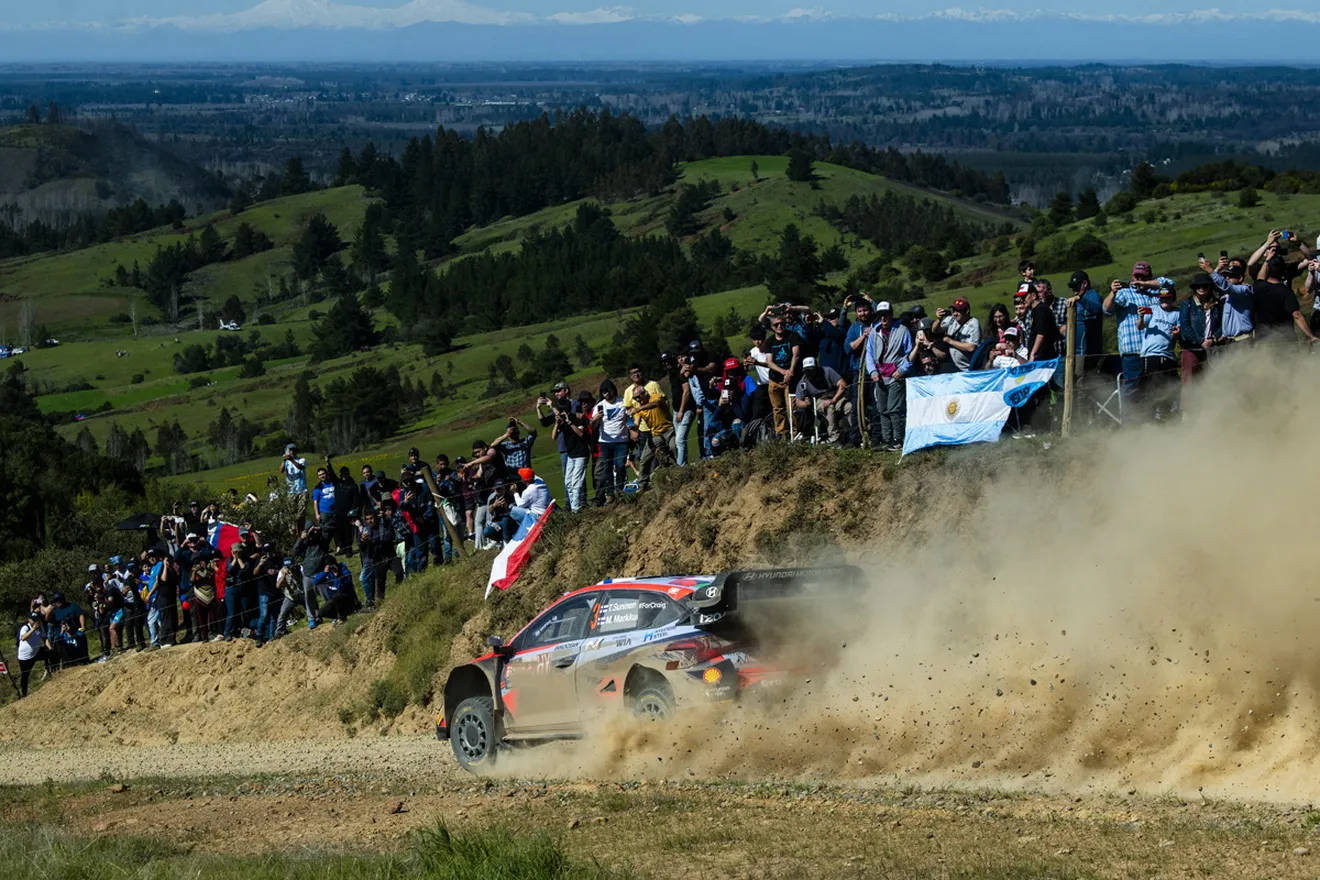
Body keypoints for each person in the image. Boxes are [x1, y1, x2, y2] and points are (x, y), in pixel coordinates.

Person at [1104, 261, 1173, 405]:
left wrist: (1147, 284)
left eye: (1143, 276)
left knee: (1153, 387)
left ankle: (1152, 419)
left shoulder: (1155, 293)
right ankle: (1130, 422)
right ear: (1132, 276)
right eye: (1137, 276)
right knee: (1132, 387)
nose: (1139, 279)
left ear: (1149, 276)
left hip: (1153, 351)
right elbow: (1106, 309)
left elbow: (1169, 283)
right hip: (1133, 349)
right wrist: (1112, 292)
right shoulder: (1124, 293)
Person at [863, 301, 912, 451]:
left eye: (886, 315)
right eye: (880, 316)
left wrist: (903, 369)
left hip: (895, 374)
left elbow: (909, 353)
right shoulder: (874, 332)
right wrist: (872, 371)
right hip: (879, 374)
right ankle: (886, 439)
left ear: (891, 315)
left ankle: (898, 439)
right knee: (881, 408)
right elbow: (869, 354)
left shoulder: (903, 331)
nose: (883, 318)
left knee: (894, 408)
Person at [1137, 286, 1182, 421]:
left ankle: (1170, 413)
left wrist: (1177, 334)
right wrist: (1141, 317)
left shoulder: (1177, 313)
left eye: (1167, 298)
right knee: (1152, 386)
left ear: (1173, 298)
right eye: (1162, 298)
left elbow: (1178, 335)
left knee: (1171, 385)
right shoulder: (1153, 309)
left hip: (1168, 355)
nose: (1164, 301)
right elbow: (1140, 326)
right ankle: (1153, 416)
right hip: (1150, 355)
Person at [1253, 256, 1319, 346]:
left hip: (1262, 337)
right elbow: (1297, 316)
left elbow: (1260, 276)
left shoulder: (1258, 286)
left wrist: (1267, 260)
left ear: (1268, 270)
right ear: (1284, 272)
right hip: (1284, 339)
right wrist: (1311, 336)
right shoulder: (1286, 291)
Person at [761, 310, 803, 439]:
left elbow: (796, 355)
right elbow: (769, 362)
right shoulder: (769, 342)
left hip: (791, 378)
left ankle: (795, 433)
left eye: (782, 324)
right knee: (777, 409)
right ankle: (781, 434)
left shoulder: (793, 336)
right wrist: (783, 372)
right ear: (772, 327)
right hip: (775, 378)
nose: (779, 326)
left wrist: (790, 372)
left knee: (792, 408)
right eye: (776, 325)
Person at [793, 357, 853, 446]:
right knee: (829, 408)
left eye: (811, 370)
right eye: (806, 370)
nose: (809, 373)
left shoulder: (827, 371)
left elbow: (842, 384)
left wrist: (833, 399)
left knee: (849, 407)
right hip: (818, 400)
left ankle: (857, 433)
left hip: (834, 396)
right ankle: (834, 438)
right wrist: (806, 404)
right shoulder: (803, 382)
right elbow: (797, 401)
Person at [1178, 273, 1221, 384]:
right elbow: (1185, 326)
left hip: (1212, 348)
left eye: (1205, 286)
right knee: (1190, 381)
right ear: (1194, 288)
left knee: (1212, 380)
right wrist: (1200, 341)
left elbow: (1222, 325)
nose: (1201, 289)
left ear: (1210, 287)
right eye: (1198, 286)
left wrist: (1213, 339)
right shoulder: (1186, 304)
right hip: (1191, 348)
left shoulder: (1217, 304)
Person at [592, 380, 630, 502]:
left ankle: (620, 490)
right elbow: (592, 425)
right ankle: (609, 493)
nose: (607, 394)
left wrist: (632, 428)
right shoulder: (599, 406)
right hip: (605, 441)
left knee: (620, 465)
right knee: (607, 467)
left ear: (613, 390)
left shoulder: (622, 402)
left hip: (621, 440)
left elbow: (629, 418)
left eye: (608, 391)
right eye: (604, 392)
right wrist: (595, 419)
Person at [551, 396, 590, 512]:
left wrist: (569, 422)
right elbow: (553, 437)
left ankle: (575, 509)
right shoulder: (561, 422)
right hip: (571, 454)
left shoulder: (577, 418)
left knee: (576, 483)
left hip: (581, 453)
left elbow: (581, 434)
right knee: (568, 482)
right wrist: (557, 424)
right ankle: (575, 507)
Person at [1066, 271, 1106, 377]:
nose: (1073, 290)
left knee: (1082, 378)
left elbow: (1096, 308)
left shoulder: (1092, 295)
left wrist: (1081, 299)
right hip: (1074, 350)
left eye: (1076, 286)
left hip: (1087, 350)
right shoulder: (1077, 299)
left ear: (1085, 283)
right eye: (1072, 287)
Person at [358, 507, 398, 608]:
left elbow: (390, 537)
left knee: (399, 572)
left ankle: (400, 593)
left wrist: (375, 542)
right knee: (380, 582)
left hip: (390, 555)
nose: (369, 521)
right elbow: (362, 548)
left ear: (375, 517)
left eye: (371, 518)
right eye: (367, 519)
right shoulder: (365, 530)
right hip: (377, 559)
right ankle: (379, 604)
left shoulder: (384, 525)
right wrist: (363, 541)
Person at [937, 298, 981, 372]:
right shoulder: (951, 319)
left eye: (958, 311)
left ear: (967, 311)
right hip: (952, 364)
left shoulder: (973, 324)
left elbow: (971, 347)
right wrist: (938, 319)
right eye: (954, 310)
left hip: (967, 368)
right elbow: (936, 330)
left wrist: (950, 341)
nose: (955, 314)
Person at [16, 611, 49, 698]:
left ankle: (50, 671)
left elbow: (44, 638)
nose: (35, 622)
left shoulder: (39, 628)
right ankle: (24, 694)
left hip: (36, 652)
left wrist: (50, 647)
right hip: (25, 657)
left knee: (50, 653)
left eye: (36, 620)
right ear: (29, 620)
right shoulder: (25, 628)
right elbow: (23, 638)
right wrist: (33, 629)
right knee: (25, 676)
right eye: (33, 620)